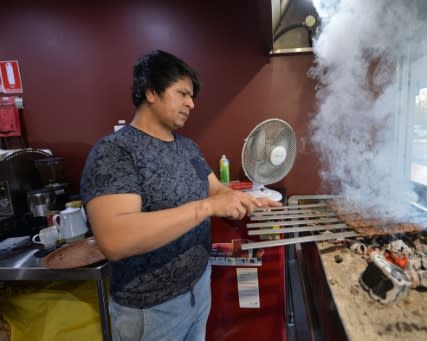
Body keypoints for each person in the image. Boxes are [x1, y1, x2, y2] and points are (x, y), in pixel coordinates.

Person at [80, 50, 281, 341]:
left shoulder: (187, 148)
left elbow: (216, 190)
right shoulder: (115, 152)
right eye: (183, 93)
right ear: (151, 91)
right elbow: (115, 239)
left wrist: (250, 200)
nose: (191, 103)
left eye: (192, 96)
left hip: (198, 290)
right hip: (151, 312)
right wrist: (206, 208)